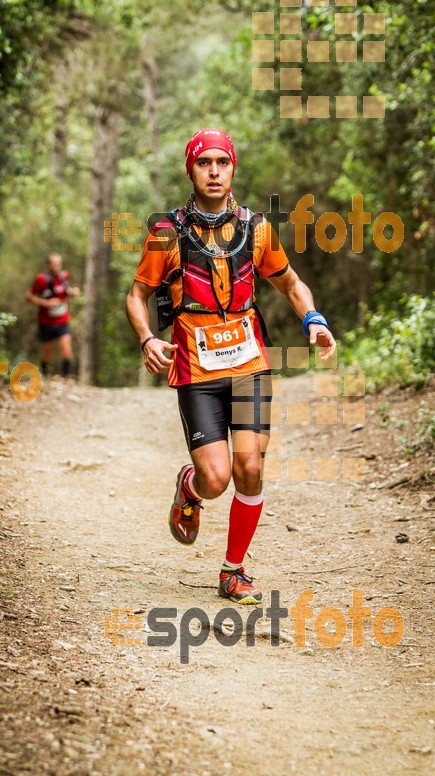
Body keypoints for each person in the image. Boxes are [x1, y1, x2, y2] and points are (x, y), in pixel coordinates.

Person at [125, 128, 336, 605]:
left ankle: (233, 570)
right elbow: (136, 295)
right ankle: (190, 486)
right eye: (205, 163)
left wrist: (313, 318)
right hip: (196, 371)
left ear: (233, 167)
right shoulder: (167, 232)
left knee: (249, 466)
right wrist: (147, 338)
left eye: (223, 162)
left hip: (249, 363)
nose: (214, 171)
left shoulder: (256, 228)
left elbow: (290, 282)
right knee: (216, 479)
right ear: (191, 169)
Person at [25, 252, 80, 377]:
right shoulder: (41, 279)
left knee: (66, 348)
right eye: (54, 264)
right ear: (48, 265)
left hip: (63, 320)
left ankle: (68, 378)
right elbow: (28, 296)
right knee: (47, 352)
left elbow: (65, 290)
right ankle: (46, 375)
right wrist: (46, 303)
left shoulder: (64, 276)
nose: (57, 266)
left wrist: (73, 291)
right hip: (46, 322)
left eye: (59, 264)